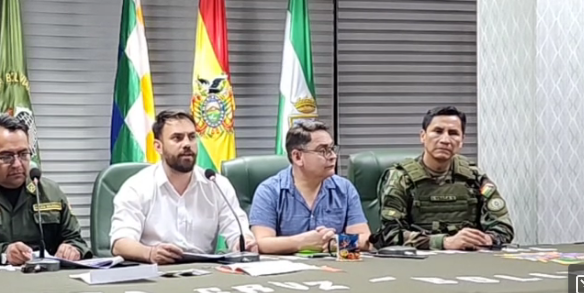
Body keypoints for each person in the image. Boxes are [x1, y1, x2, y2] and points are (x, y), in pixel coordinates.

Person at [109, 110, 257, 264]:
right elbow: (120, 243)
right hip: (154, 271)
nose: (187, 144)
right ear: (158, 146)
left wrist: (243, 243)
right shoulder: (137, 187)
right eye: (177, 138)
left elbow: (237, 232)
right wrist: (149, 253)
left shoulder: (216, 184)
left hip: (204, 273)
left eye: (192, 137)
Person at [0, 114, 89, 265]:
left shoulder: (50, 192)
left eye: (23, 154)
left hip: (44, 279)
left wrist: (72, 249)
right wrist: (3, 253)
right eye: (7, 156)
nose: (17, 164)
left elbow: (76, 240)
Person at [375, 105, 515, 250]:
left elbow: (503, 227)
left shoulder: (473, 177)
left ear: (462, 140)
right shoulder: (400, 178)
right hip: (418, 263)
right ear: (423, 136)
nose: (445, 140)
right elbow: (389, 235)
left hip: (469, 260)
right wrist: (444, 242)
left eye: (453, 133)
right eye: (438, 131)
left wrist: (485, 238)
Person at [250, 120, 370, 254]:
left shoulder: (345, 189)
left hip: (336, 270)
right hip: (288, 271)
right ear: (298, 157)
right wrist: (301, 242)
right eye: (323, 151)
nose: (333, 156)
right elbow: (261, 242)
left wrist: (336, 243)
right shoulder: (269, 191)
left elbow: (365, 240)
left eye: (332, 149)